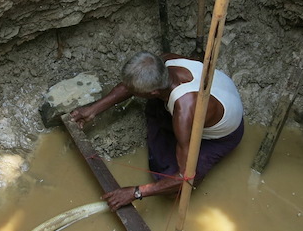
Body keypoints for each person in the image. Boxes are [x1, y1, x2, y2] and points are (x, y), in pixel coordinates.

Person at [70, 51, 244, 211]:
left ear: (154, 91)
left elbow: (187, 177)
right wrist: (92, 110)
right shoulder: (164, 63)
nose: (130, 91)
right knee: (154, 109)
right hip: (218, 100)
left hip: (221, 137)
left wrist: (136, 192)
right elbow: (127, 87)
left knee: (170, 187)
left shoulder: (185, 111)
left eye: (135, 92)